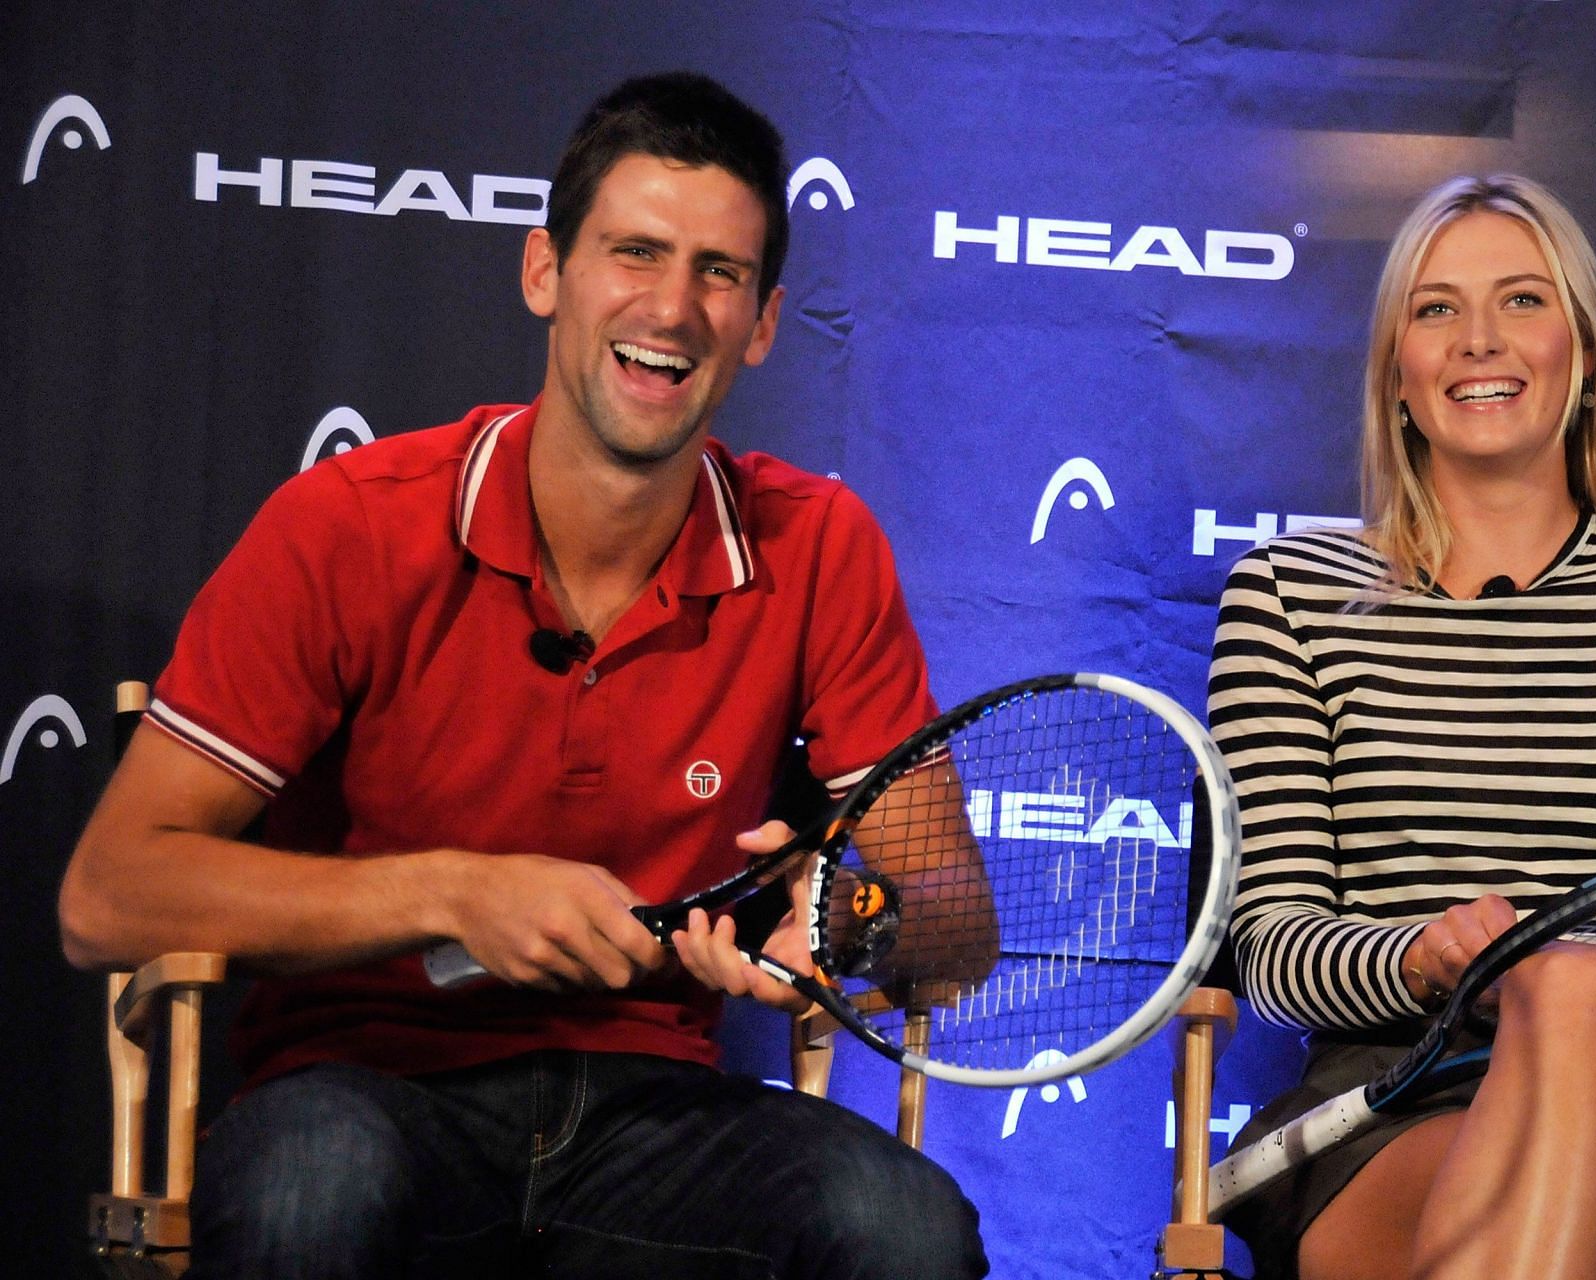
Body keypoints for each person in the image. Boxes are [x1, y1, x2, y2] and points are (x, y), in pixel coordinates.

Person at [59, 72, 988, 1279]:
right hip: (370, 1091)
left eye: (720, 272)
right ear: (543, 271)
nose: (673, 307)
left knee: (904, 1222)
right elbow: (108, 895)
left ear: (762, 323)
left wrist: (847, 920)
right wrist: (453, 892)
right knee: (311, 1180)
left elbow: (958, 918)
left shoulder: (818, 544)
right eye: (636, 251)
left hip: (658, 1111)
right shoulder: (350, 522)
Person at [1206, 174, 1596, 1280]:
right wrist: (1425, 958)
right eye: (1436, 308)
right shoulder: (1289, 596)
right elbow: (1273, 947)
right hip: (1404, 1095)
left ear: (1584, 354)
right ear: (1395, 369)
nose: (1478, 339)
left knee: (1576, 982)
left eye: (1524, 301)